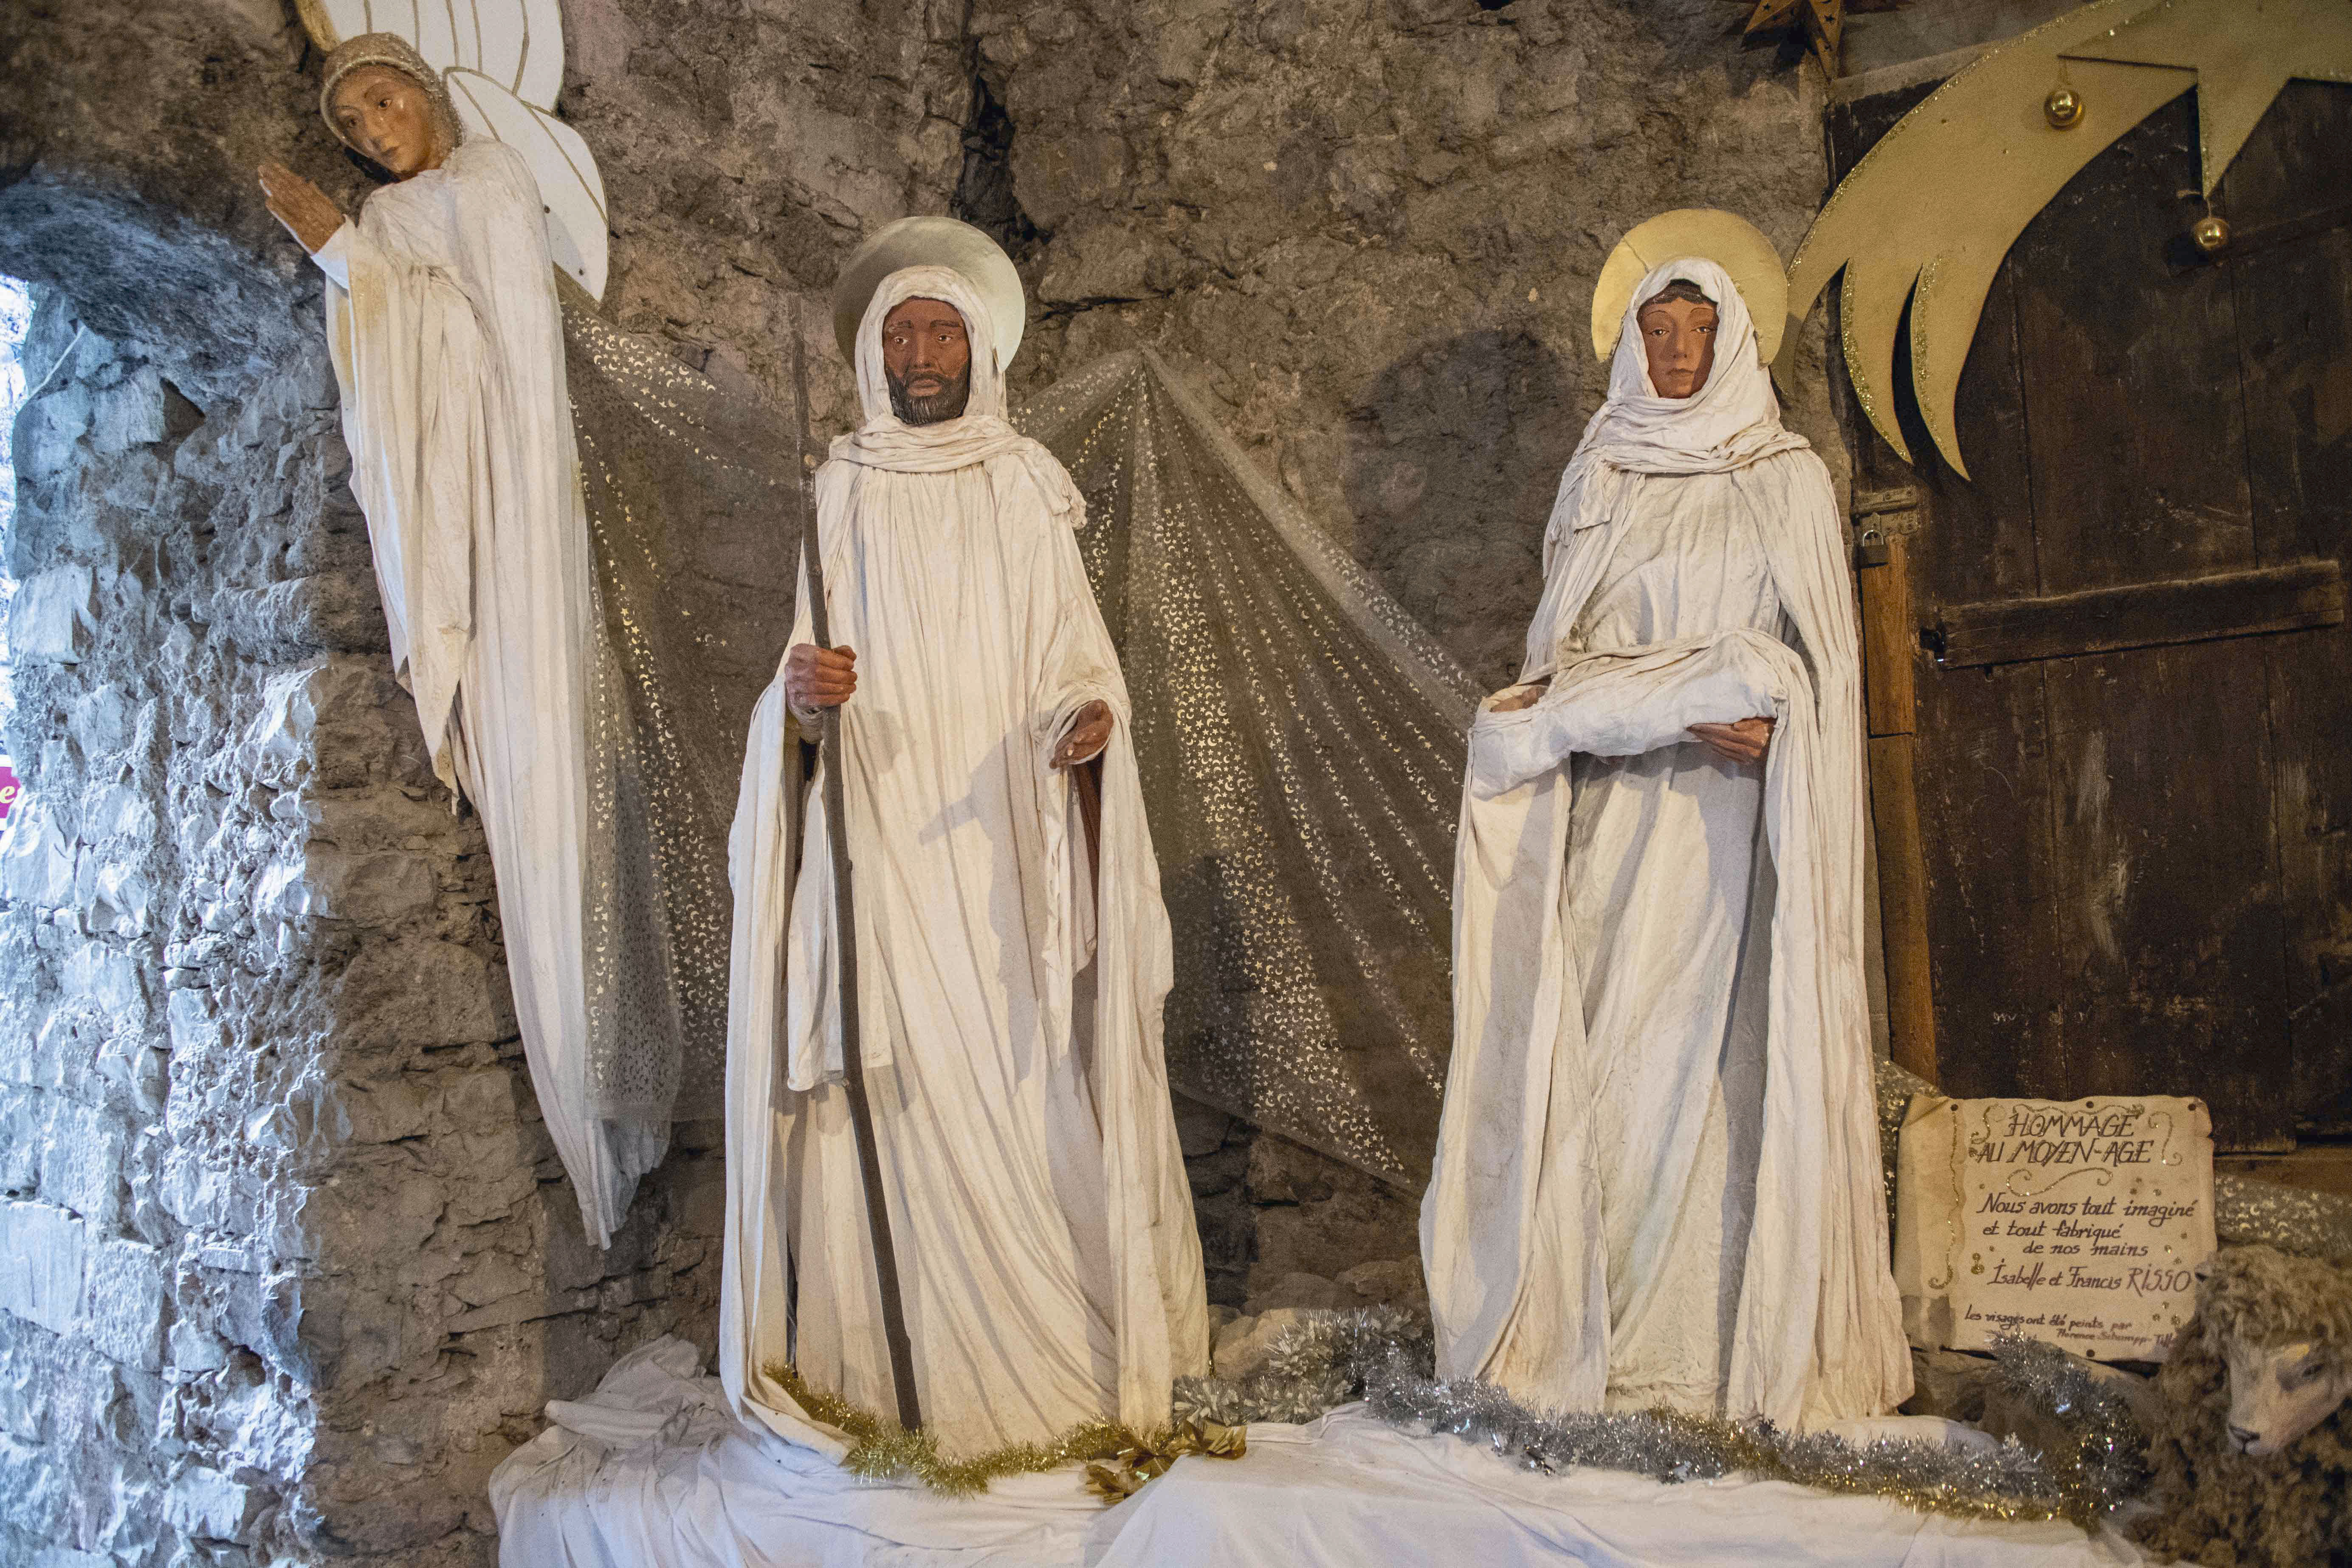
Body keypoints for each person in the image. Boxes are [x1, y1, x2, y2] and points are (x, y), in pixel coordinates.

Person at [721, 225, 1209, 1454]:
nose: (923, 353)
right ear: (874, 357)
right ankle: (881, 1379)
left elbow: (1074, 656)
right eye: (903, 336)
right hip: (880, 838)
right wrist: (801, 700)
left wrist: (1086, 720)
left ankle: (1047, 1371)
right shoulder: (840, 488)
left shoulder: (1022, 484)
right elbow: (797, 674)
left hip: (998, 843)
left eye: (943, 332)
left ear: (981, 350)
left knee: (1016, 1070)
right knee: (882, 1079)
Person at [1421, 251, 1910, 1428]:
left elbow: (1824, 674)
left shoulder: (1784, 479)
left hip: (1736, 828)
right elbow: (1559, 666)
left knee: (1728, 1063)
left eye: (1696, 327)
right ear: (1629, 345)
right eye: (1655, 329)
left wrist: (1781, 725)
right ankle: (1602, 1341)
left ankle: (1717, 1350)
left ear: (1734, 338)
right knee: (1611, 1059)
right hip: (1618, 811)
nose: (1676, 349)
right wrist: (1674, 697)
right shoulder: (1601, 472)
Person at [258, 34, 659, 1248]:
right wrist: (348, 251)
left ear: (428, 95)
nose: (375, 133)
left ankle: (605, 1085)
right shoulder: (388, 219)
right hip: (450, 504)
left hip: (512, 498)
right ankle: (583, 1094)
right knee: (509, 771)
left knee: (556, 774)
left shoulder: (486, 182)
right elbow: (390, 343)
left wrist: (346, 256)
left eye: (385, 103)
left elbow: (508, 347)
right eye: (354, 127)